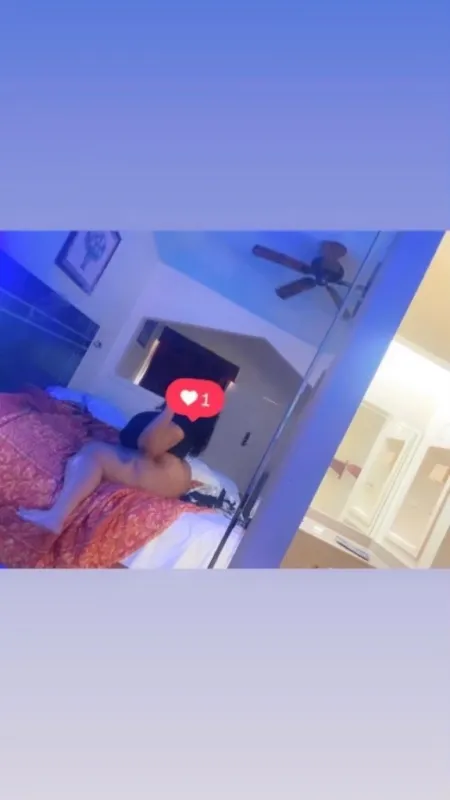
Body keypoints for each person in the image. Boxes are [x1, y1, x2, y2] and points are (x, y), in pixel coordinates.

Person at [17, 403, 218, 535]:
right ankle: (55, 516)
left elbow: (148, 446)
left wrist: (171, 407)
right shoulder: (184, 422)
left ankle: (56, 516)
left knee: (94, 453)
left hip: (159, 476)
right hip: (164, 476)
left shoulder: (181, 422)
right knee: (96, 449)